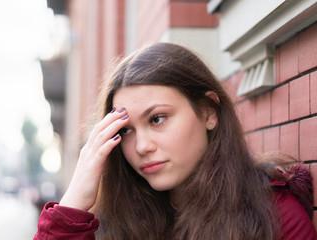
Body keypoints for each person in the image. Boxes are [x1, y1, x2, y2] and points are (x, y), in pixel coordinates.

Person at [34, 42, 317, 240]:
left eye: (157, 119)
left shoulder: (273, 217)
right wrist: (72, 205)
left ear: (209, 111)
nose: (142, 146)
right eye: (126, 131)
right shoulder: (113, 223)